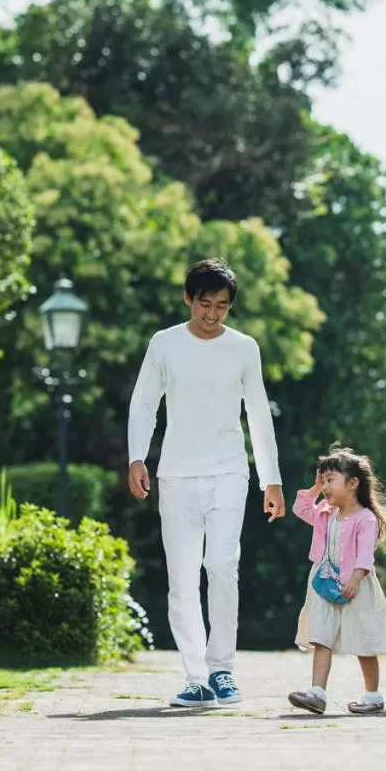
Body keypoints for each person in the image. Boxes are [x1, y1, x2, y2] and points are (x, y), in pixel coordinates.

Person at [127, 259, 286, 708]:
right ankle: (195, 678)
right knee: (181, 577)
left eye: (222, 306)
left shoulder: (244, 348)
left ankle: (222, 671)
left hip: (229, 472)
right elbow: (143, 404)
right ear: (187, 299)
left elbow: (258, 413)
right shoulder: (164, 344)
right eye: (204, 303)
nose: (212, 313)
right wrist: (136, 456)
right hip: (176, 473)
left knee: (221, 565)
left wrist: (270, 481)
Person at [288, 448, 386, 715]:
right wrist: (314, 489)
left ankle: (372, 695)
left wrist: (356, 579)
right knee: (321, 637)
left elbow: (364, 556)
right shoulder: (324, 512)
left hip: (355, 588)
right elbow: (301, 508)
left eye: (330, 480)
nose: (325, 487)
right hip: (324, 586)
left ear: (352, 484)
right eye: (322, 480)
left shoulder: (366, 519)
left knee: (363, 641)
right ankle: (317, 693)